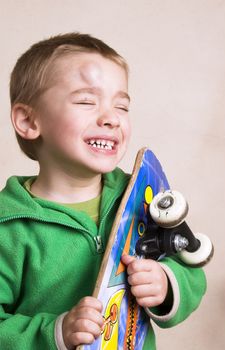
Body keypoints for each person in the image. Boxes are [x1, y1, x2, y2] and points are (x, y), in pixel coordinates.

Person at [0, 32, 206, 350]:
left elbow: (189, 267)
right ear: (28, 120)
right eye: (86, 101)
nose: (111, 118)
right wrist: (54, 332)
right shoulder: (9, 225)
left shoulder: (142, 198)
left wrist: (166, 282)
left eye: (121, 107)